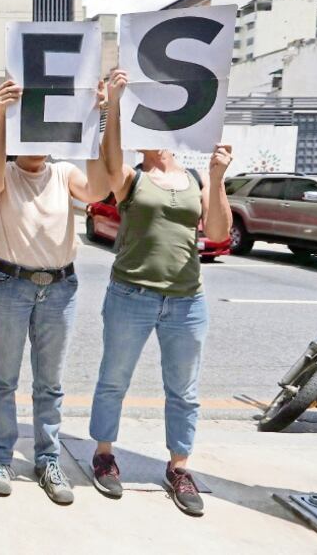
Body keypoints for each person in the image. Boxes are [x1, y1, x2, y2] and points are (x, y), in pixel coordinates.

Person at [88, 69, 233, 517]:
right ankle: (104, 455)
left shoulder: (195, 178)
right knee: (114, 380)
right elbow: (109, 162)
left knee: (184, 390)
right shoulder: (132, 177)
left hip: (187, 300)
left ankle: (179, 465)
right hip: (131, 294)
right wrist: (110, 107)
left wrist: (218, 174)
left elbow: (218, 232)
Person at [0, 79, 111, 505]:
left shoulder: (64, 173)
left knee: (50, 383)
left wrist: (99, 119)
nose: (34, 145)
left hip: (59, 289)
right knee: (4, 379)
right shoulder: (6, 175)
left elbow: (99, 190)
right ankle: (1, 457)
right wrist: (0, 115)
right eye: (24, 134)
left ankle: (47, 458)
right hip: (7, 286)